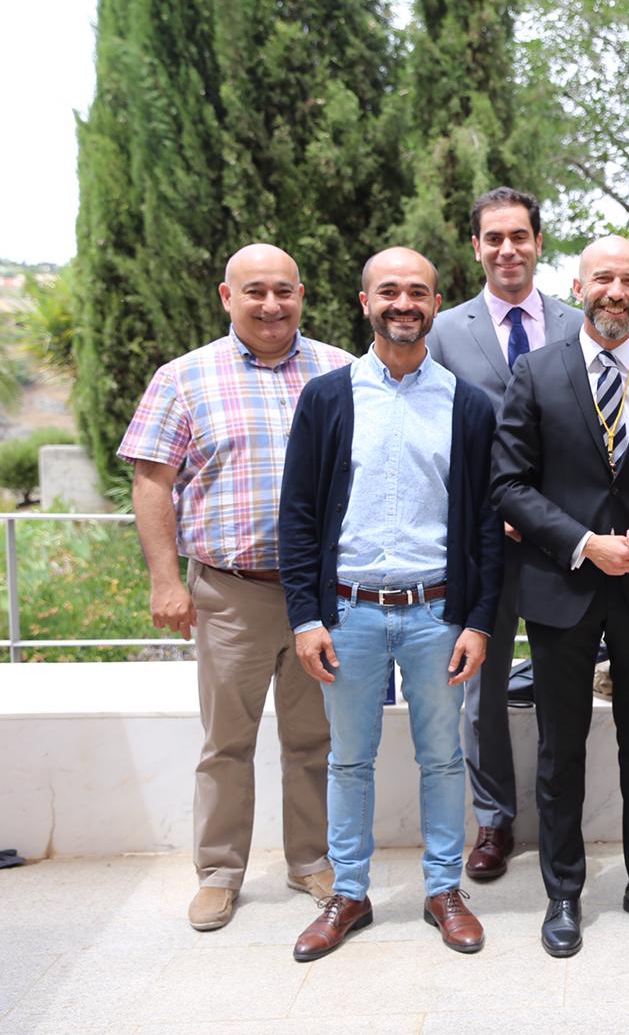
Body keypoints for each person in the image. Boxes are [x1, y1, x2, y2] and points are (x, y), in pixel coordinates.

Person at [279, 247, 502, 960]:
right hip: (349, 614)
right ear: (364, 301)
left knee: (443, 759)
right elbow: (299, 516)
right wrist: (306, 617)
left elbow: (486, 525)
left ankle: (444, 891)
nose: (403, 303)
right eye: (389, 291)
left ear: (436, 303)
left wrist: (479, 621)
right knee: (349, 761)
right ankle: (348, 892)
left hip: (437, 612)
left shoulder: (468, 405)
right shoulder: (328, 398)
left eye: (417, 292)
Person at [119, 243, 350, 932]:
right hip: (231, 594)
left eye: (283, 291)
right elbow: (151, 482)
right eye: (255, 291)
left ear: (301, 294)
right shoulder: (183, 378)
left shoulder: (341, 370)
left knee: (313, 739)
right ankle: (218, 874)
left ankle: (312, 861)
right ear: (227, 296)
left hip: (321, 594)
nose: (271, 305)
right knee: (226, 744)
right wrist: (166, 580)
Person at [491, 235, 629, 957]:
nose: (617, 291)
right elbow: (509, 484)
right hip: (563, 586)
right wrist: (586, 543)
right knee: (560, 750)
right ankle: (563, 892)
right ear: (579, 286)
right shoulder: (536, 372)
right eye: (604, 278)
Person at [428, 186, 584, 882]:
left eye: (519, 236)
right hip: (484, 542)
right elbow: (435, 436)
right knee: (481, 688)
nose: (507, 249)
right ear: (476, 248)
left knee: (561, 683)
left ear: (538, 242)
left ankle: (559, 814)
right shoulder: (444, 333)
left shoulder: (579, 323)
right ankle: (493, 820)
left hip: (564, 541)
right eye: (493, 238)